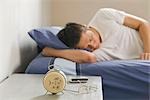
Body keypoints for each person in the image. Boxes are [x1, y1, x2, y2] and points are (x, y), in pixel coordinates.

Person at [42, 8, 150, 63]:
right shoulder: (96, 53)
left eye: (90, 39)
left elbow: (143, 24)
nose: (93, 45)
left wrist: (147, 51)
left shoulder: (103, 16)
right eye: (87, 47)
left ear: (85, 26)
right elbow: (89, 58)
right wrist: (52, 52)